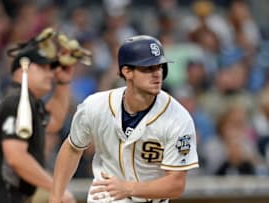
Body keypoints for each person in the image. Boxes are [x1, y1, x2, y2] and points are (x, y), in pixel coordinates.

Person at [50, 35, 199, 203]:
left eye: (159, 67)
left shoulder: (177, 118)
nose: (157, 74)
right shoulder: (96, 105)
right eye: (148, 68)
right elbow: (73, 147)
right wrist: (56, 197)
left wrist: (128, 188)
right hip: (105, 198)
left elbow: (176, 184)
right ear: (127, 71)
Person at [0, 28, 79, 203]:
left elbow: (54, 121)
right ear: (23, 70)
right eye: (43, 67)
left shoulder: (29, 102)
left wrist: (63, 82)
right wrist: (56, 188)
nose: (50, 74)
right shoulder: (16, 102)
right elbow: (16, 157)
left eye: (51, 68)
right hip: (1, 194)